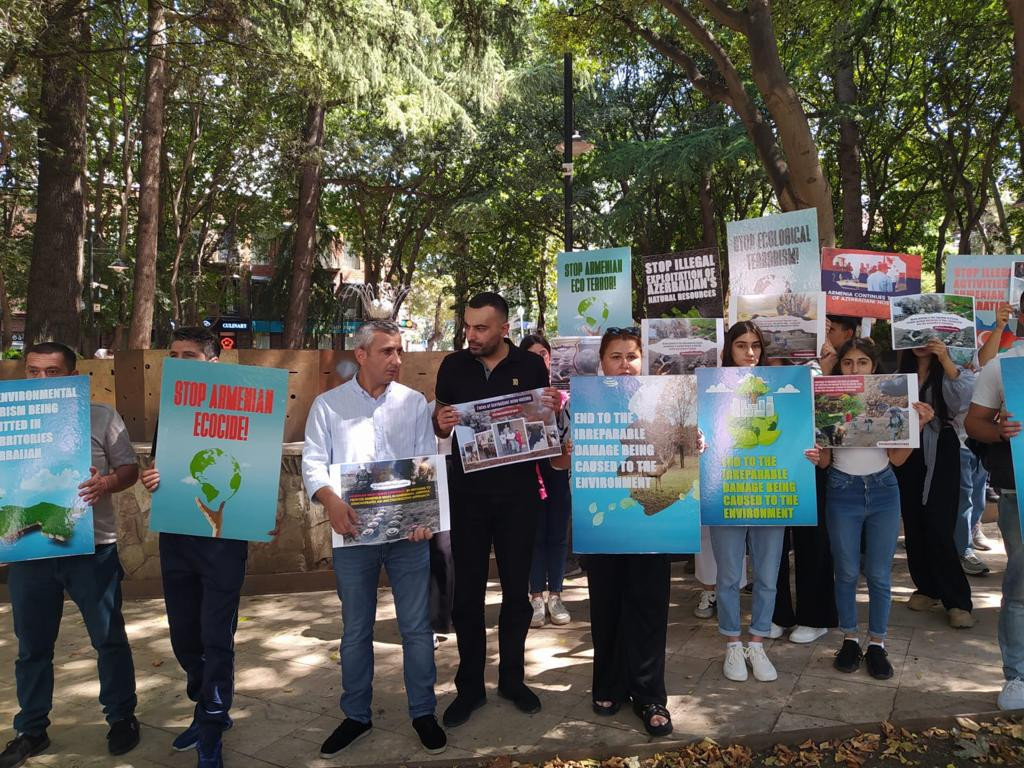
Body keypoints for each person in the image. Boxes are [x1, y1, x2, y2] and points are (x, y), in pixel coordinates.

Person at [301, 320, 446, 756]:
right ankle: (356, 715)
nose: (396, 360)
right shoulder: (328, 406)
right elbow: (313, 463)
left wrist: (424, 516)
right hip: (353, 536)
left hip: (408, 538)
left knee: (416, 629)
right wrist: (330, 500)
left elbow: (424, 464)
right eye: (387, 351)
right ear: (361, 355)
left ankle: (423, 713)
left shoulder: (413, 403)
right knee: (355, 631)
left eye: (399, 351)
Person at [0, 342, 141, 768]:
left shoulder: (101, 416)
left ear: (74, 375)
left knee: (109, 638)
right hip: (30, 554)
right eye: (33, 371)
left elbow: (129, 469)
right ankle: (31, 729)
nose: (41, 379)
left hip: (92, 549)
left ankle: (121, 717)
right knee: (32, 646)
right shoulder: (9, 418)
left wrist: (106, 483)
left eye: (52, 371)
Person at [432, 292, 561, 727]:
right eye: (467, 326)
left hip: (518, 498)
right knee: (466, 597)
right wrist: (441, 423)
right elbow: (440, 422)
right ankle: (469, 688)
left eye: (481, 328)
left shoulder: (531, 366)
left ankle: (512, 680)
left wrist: (550, 410)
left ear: (504, 329)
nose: (471, 335)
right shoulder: (453, 366)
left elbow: (543, 422)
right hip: (466, 498)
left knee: (516, 595)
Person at [139, 327, 258, 768]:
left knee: (215, 636)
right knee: (184, 637)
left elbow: (255, 472)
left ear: (212, 362)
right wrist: (152, 479)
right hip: (177, 538)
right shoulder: (170, 412)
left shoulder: (244, 409)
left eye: (187, 356)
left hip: (223, 544)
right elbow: (162, 471)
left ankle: (211, 723)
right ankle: (205, 700)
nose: (177, 362)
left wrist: (263, 507)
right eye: (172, 355)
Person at [552, 326, 673, 736]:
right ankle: (608, 685)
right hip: (601, 520)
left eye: (631, 356)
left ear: (643, 359)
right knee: (606, 605)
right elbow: (558, 464)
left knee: (649, 606)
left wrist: (695, 443)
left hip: (652, 520)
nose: (624, 364)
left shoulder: (666, 398)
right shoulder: (580, 404)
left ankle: (650, 695)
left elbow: (684, 453)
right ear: (601, 362)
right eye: (615, 356)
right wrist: (566, 452)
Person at [812, 338, 933, 679]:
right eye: (848, 362)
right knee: (847, 572)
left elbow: (897, 459)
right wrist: (815, 446)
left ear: (874, 367)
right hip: (842, 490)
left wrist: (918, 425)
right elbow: (824, 462)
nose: (855, 368)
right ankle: (850, 639)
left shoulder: (888, 399)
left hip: (883, 490)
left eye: (862, 362)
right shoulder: (829, 401)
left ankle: (878, 643)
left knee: (879, 575)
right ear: (841, 367)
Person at [710, 322, 819, 683]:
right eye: (741, 345)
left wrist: (810, 453)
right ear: (729, 349)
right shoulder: (712, 389)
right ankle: (732, 643)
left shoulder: (782, 387)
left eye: (755, 345)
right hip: (727, 493)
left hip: (772, 492)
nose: (750, 352)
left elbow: (796, 434)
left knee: (769, 575)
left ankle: (757, 642)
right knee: (728, 576)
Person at [894, 340, 976, 628]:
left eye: (926, 337)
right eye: (913, 336)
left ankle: (957, 600)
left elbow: (964, 400)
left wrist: (945, 359)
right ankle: (926, 587)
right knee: (913, 521)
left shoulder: (952, 371)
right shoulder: (897, 376)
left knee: (940, 524)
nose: (920, 343)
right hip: (907, 449)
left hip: (941, 448)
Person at [964, 342, 1024, 709]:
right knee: (1020, 589)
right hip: (1019, 492)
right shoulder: (1004, 365)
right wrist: (1000, 431)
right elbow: (973, 422)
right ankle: (1018, 675)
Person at [520, 334, 572, 628]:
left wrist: (558, 412)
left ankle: (556, 595)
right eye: (532, 355)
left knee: (558, 534)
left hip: (557, 471)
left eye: (544, 354)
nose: (540, 360)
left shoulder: (563, 396)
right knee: (535, 535)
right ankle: (536, 596)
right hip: (527, 475)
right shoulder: (514, 394)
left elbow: (570, 435)